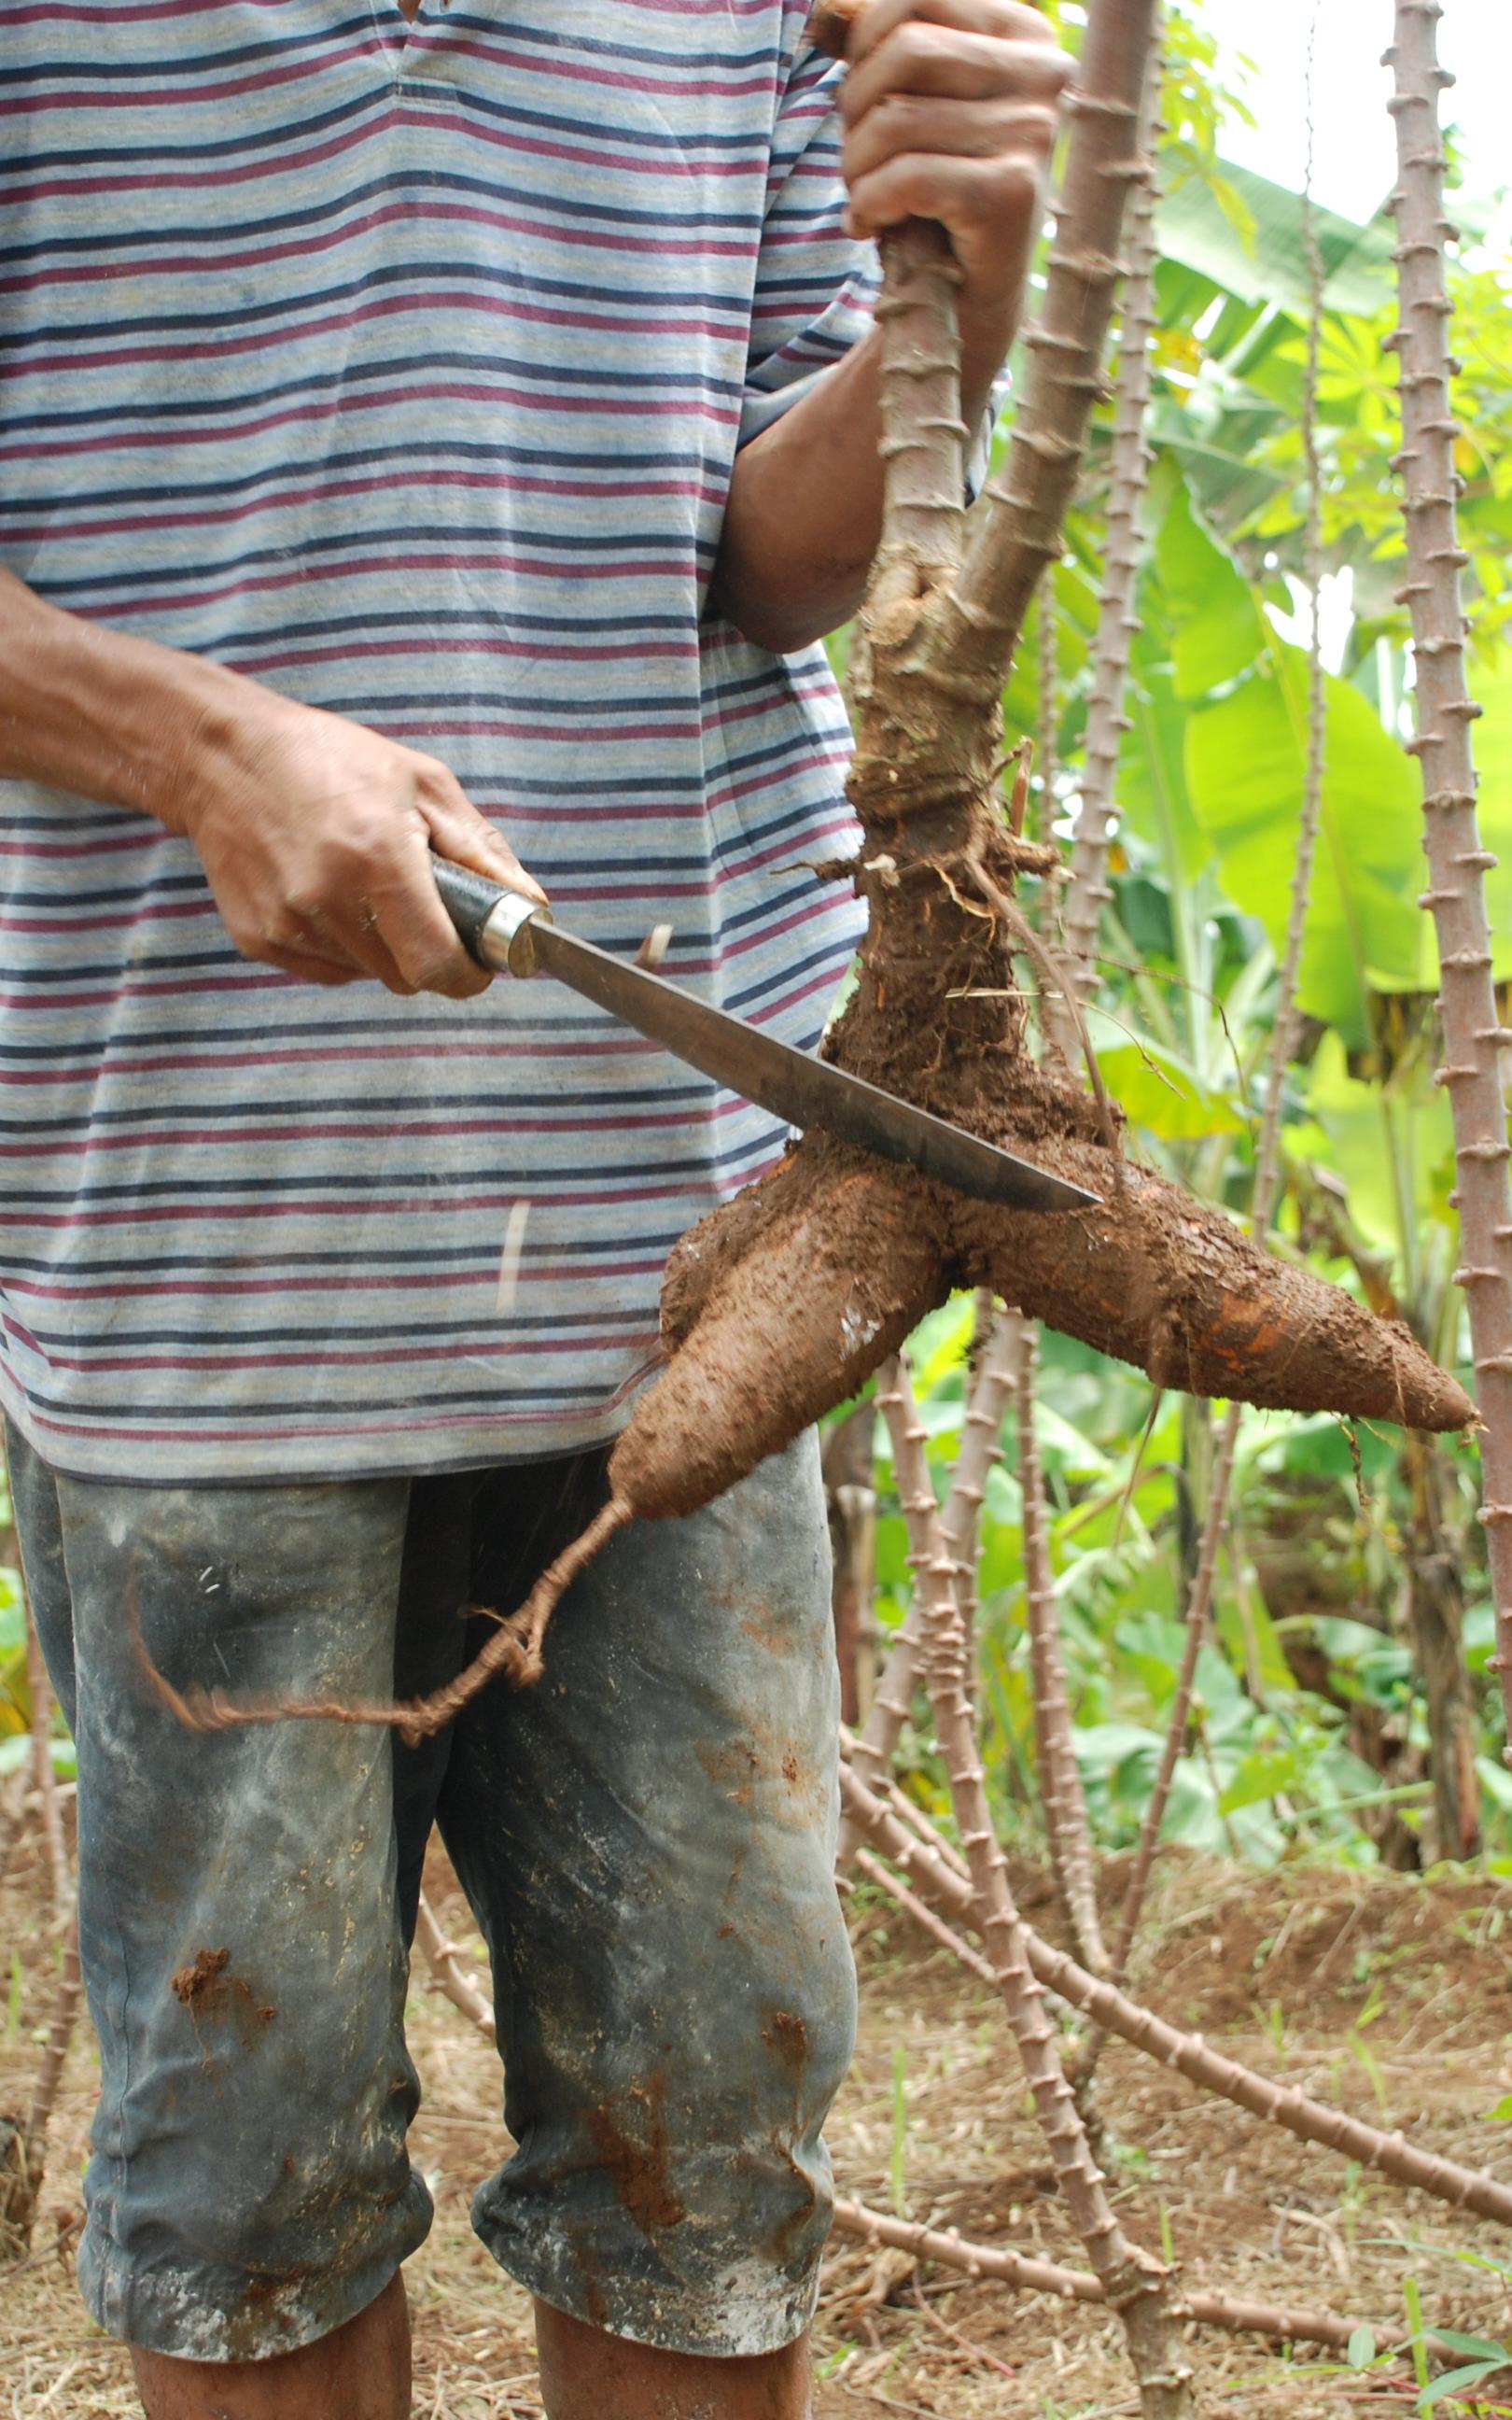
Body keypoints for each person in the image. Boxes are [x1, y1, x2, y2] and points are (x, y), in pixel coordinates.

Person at [0, 0, 1070, 2412]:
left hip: (686, 1277)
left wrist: (962, 285)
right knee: (246, 2172)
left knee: (715, 2122)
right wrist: (196, 746)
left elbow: (763, 553)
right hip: (201, 1264)